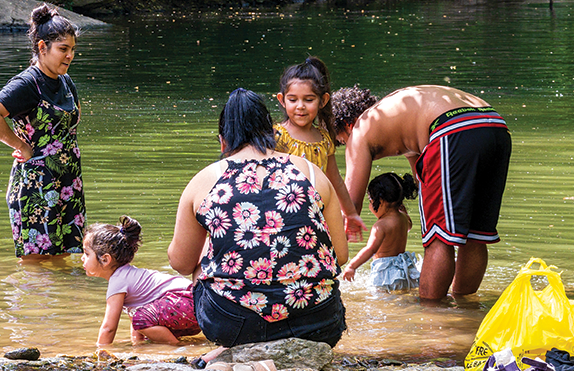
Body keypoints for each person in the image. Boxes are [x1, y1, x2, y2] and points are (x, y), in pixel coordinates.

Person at [167, 89, 349, 349]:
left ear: (223, 142)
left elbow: (181, 263)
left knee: (202, 265)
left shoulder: (205, 180)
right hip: (317, 323)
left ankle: (234, 351)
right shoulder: (311, 172)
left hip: (235, 326)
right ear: (273, 134)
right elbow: (340, 255)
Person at [332, 84, 511, 300]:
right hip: (494, 125)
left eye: (341, 140)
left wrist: (325, 256)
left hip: (452, 128)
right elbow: (423, 179)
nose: (346, 144)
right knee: (475, 234)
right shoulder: (395, 116)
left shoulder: (361, 128)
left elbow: (350, 206)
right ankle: (464, 307)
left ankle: (430, 313)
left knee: (438, 236)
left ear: (348, 125)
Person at [0, 4, 86, 257]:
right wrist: (21, 145)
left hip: (68, 183)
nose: (69, 56)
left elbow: (73, 120)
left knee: (67, 257)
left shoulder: (65, 81)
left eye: (72, 49)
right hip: (36, 187)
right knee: (36, 263)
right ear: (42, 47)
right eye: (63, 49)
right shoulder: (27, 83)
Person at [272, 56, 364, 240]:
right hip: (283, 218)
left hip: (315, 217)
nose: (300, 106)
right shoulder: (278, 136)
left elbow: (336, 180)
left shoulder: (324, 138)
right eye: (293, 100)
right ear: (282, 100)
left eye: (308, 100)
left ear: (323, 101)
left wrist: (351, 213)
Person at [85, 216, 199, 348]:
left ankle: (177, 347)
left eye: (87, 254)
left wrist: (100, 350)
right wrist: (137, 345)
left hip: (186, 301)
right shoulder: (127, 275)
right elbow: (136, 322)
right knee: (143, 322)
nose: (82, 258)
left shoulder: (118, 281)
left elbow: (109, 328)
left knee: (141, 319)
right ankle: (187, 346)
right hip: (192, 304)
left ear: (105, 259)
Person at [340, 172, 420, 292]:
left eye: (371, 201)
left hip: (384, 274)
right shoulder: (403, 218)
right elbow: (409, 227)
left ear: (381, 201)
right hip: (403, 272)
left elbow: (370, 249)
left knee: (380, 297)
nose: (369, 206)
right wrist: (403, 209)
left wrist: (352, 266)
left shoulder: (380, 226)